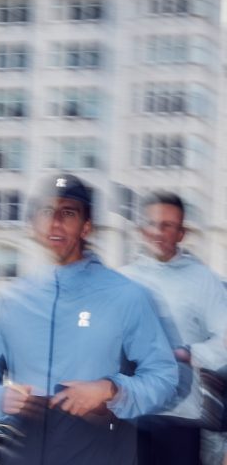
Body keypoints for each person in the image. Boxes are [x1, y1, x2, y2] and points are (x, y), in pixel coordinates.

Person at [0, 173, 178, 465]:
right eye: (46, 211)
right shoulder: (8, 301)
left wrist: (111, 390)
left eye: (68, 213)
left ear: (86, 226)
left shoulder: (126, 296)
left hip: (99, 454)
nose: (55, 222)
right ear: (34, 224)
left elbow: (163, 377)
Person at [121, 191, 227, 465]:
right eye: (153, 224)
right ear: (141, 229)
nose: (159, 232)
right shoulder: (121, 279)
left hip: (182, 417)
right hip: (129, 414)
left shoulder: (204, 280)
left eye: (168, 225)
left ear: (181, 233)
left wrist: (187, 353)